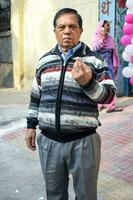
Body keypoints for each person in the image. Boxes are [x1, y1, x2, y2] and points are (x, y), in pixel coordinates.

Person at [25, 8, 116, 200]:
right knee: (54, 195)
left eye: (72, 26)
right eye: (62, 27)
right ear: (55, 31)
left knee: (86, 196)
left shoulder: (95, 61)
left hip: (84, 142)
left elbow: (109, 97)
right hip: (49, 142)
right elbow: (36, 97)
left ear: (81, 31)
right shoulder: (44, 61)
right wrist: (31, 126)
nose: (67, 31)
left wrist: (88, 82)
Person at [92, 20, 123, 113]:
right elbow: (95, 49)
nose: (108, 27)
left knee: (110, 85)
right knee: (99, 85)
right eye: (107, 25)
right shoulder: (96, 37)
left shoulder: (110, 38)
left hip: (109, 65)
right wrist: (101, 38)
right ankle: (100, 104)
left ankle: (111, 106)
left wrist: (115, 64)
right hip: (99, 66)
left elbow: (113, 51)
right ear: (101, 26)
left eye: (109, 25)